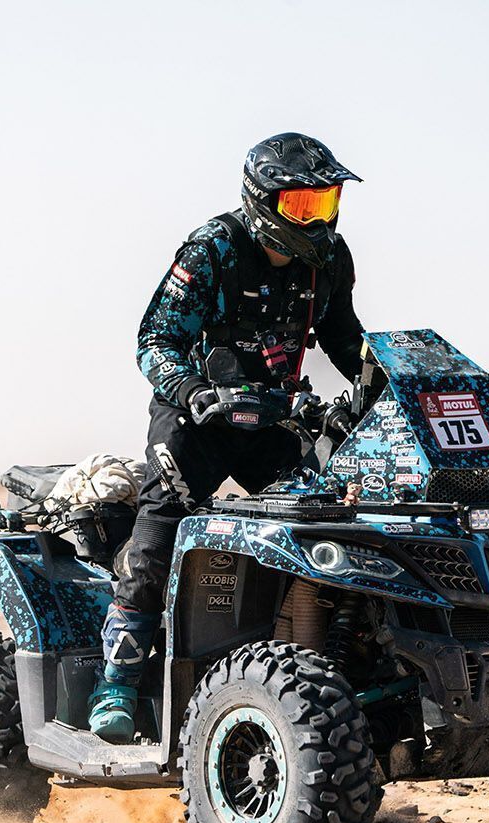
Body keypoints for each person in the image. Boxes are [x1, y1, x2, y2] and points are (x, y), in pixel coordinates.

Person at [89, 132, 369, 743]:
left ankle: (313, 668)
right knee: (160, 528)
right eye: (301, 205)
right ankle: (118, 682)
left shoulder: (329, 260)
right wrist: (192, 390)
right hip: (196, 422)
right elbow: (154, 340)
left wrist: (388, 382)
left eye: (325, 202)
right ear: (262, 201)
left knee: (326, 524)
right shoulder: (212, 249)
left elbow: (346, 339)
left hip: (273, 420)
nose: (317, 219)